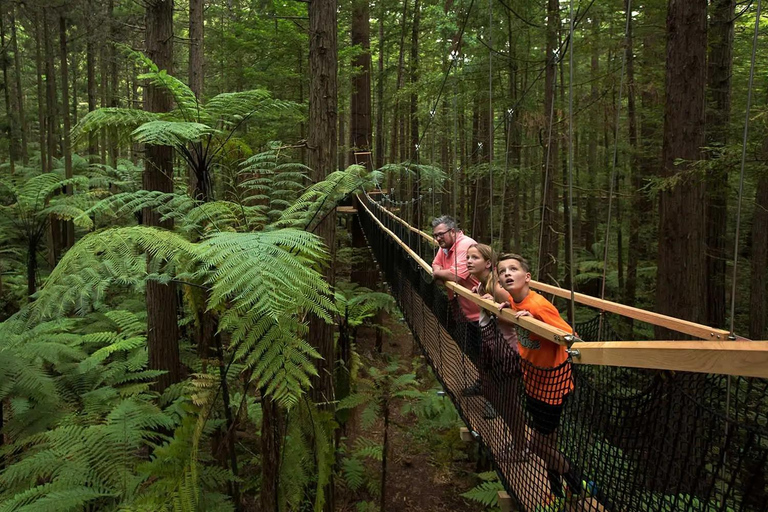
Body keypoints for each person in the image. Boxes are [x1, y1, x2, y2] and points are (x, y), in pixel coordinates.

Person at [496, 253, 586, 508]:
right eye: (502, 271)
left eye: (513, 269)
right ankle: (557, 492)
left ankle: (579, 483)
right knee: (549, 443)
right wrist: (506, 311)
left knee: (537, 445)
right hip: (534, 383)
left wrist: (536, 323)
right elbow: (515, 312)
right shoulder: (516, 301)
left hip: (552, 387)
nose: (506, 274)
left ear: (527, 278)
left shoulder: (538, 306)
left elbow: (571, 337)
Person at [430, 216, 482, 393]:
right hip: (462, 307)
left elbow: (456, 276)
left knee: (490, 355)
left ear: (453, 231)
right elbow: (435, 265)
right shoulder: (446, 247)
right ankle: (483, 385)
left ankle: (494, 398)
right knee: (475, 351)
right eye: (435, 236)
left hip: (481, 309)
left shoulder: (466, 245)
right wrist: (439, 272)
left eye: (441, 234)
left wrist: (438, 274)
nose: (438, 239)